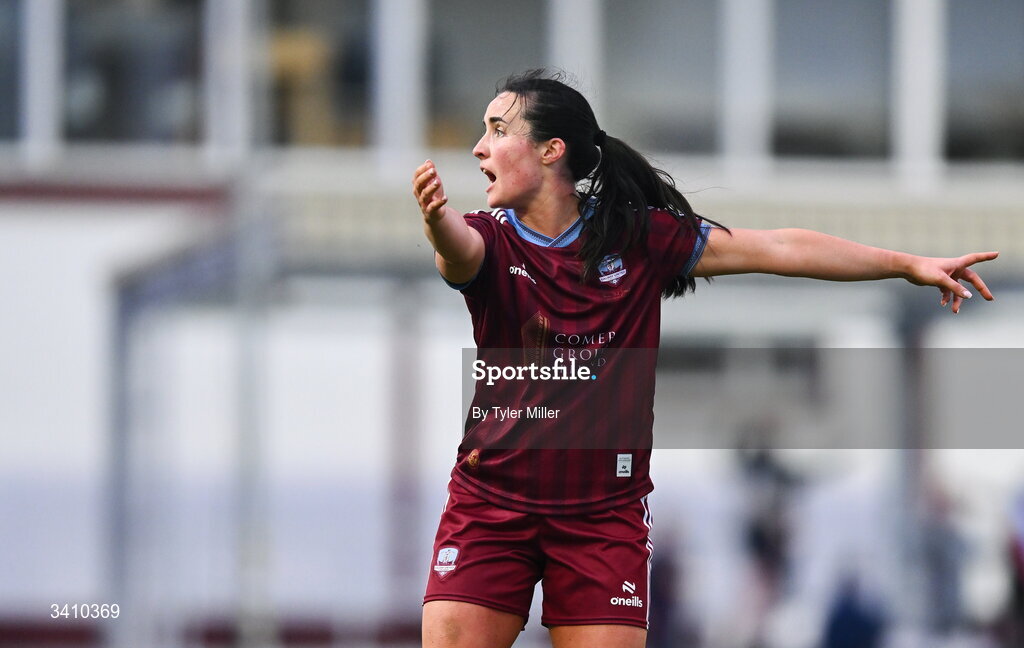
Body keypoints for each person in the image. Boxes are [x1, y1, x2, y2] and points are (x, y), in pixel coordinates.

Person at [411, 69, 997, 648]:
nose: (478, 147)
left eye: (497, 128)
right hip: (490, 508)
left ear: (550, 150)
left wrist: (906, 263)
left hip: (601, 517)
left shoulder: (637, 238)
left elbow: (778, 247)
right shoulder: (488, 238)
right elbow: (458, 256)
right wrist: (439, 224)